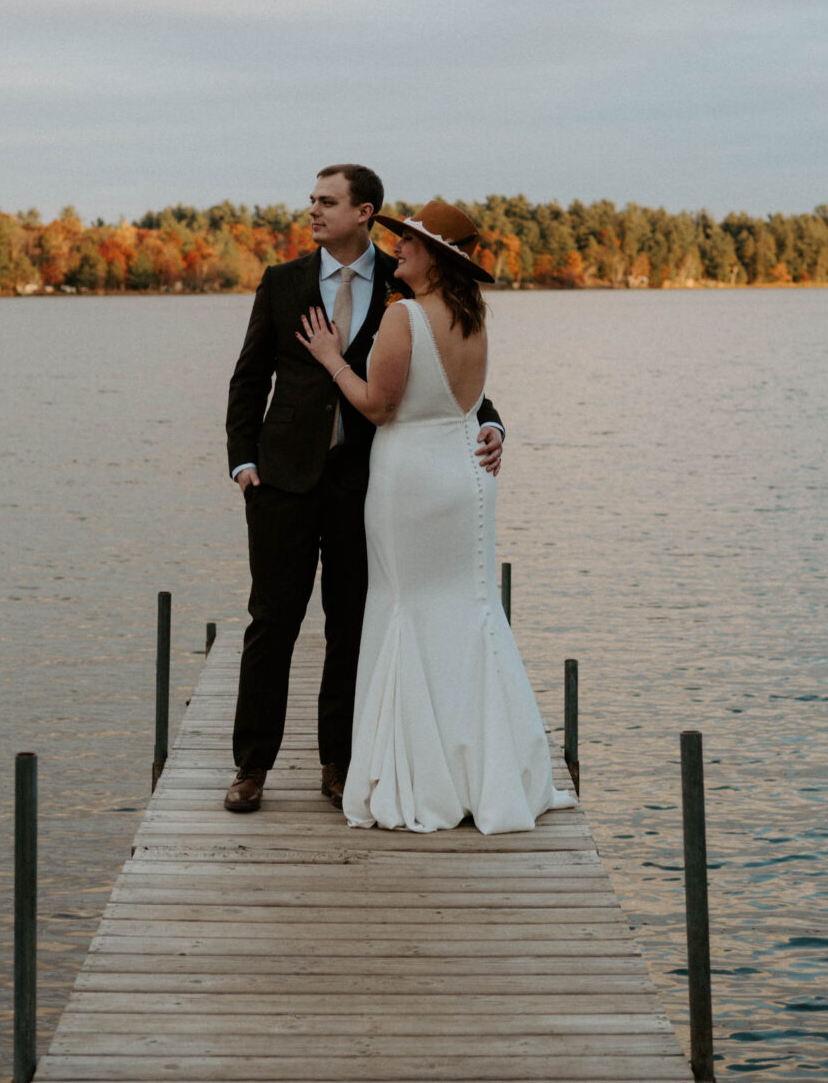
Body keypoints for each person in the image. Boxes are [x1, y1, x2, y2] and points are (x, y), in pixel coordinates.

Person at [222, 166, 506, 815]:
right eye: (312, 201)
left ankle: (339, 762)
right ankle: (252, 764)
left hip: (368, 483)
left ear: (363, 212)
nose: (313, 211)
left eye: (327, 201)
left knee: (352, 625)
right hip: (282, 481)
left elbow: (444, 378)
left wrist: (489, 421)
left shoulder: (400, 281)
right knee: (272, 623)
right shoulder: (282, 281)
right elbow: (249, 378)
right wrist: (243, 462)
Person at [297, 199, 573, 834]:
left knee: (406, 609)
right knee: (470, 609)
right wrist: (495, 427)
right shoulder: (474, 320)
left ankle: (420, 773)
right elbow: (472, 405)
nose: (399, 250)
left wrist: (330, 357)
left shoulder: (404, 318)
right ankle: (491, 769)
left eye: (411, 244)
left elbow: (377, 406)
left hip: (411, 483)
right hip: (468, 477)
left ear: (437, 258)